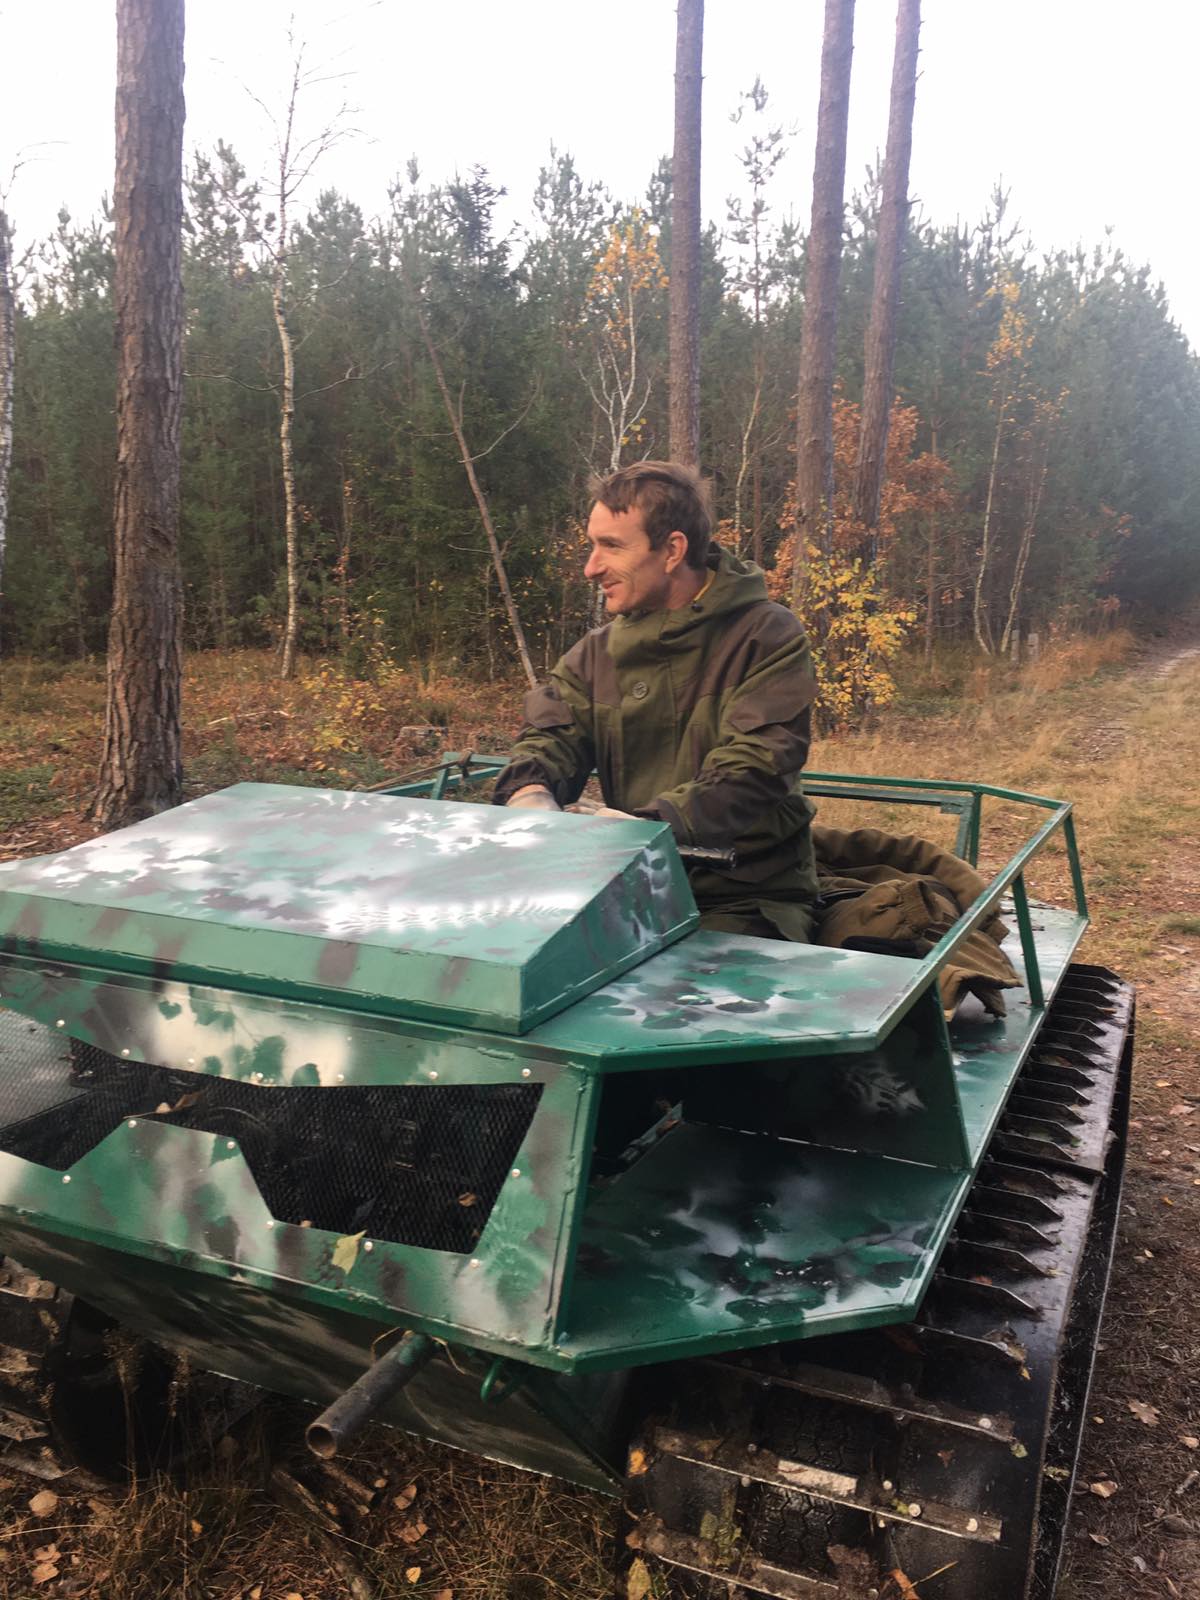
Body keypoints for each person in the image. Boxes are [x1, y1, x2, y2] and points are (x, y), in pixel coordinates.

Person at [492, 461, 819, 940]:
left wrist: (650, 828)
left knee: (690, 986)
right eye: (592, 546)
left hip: (740, 893)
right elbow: (551, 736)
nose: (591, 567)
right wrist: (530, 793)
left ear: (672, 550)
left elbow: (756, 765)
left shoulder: (766, 636)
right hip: (624, 885)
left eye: (611, 546)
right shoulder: (596, 653)